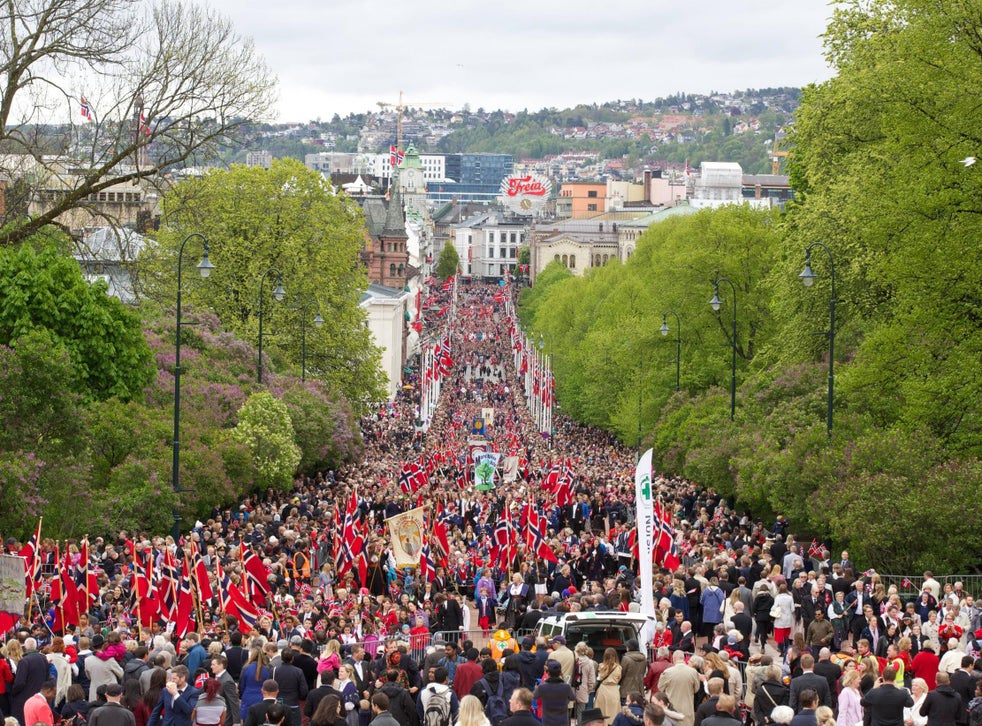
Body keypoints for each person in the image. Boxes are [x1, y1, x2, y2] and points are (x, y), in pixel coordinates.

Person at [659, 652, 701, 726]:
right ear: (684, 658)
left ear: (673, 659)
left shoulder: (668, 672)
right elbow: (696, 689)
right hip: (687, 709)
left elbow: (660, 687)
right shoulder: (693, 672)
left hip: (672, 709)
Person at [532, 661, 574, 726]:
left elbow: (535, 696)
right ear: (560, 673)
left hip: (547, 721)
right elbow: (572, 697)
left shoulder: (542, 687)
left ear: (548, 672)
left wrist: (536, 688)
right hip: (562, 721)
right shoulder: (566, 687)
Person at [595, 649, 623, 724]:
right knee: (613, 712)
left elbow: (600, 677)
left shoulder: (601, 666)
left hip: (603, 690)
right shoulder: (619, 668)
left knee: (601, 712)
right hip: (614, 690)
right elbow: (619, 679)